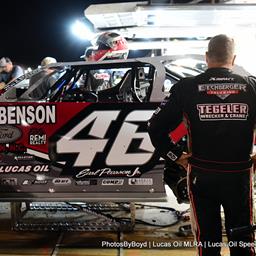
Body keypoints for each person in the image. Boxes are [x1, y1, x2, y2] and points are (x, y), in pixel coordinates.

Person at [148, 34, 256, 256]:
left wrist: (174, 155)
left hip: (201, 174)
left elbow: (154, 126)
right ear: (233, 59)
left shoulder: (186, 87)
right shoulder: (252, 86)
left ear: (207, 57)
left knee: (207, 240)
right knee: (243, 238)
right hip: (239, 175)